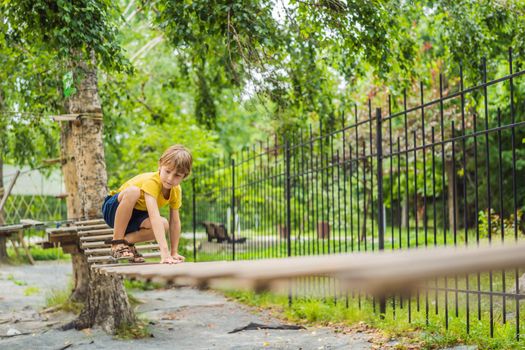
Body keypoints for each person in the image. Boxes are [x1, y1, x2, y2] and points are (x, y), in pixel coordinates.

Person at [102, 144, 192, 264]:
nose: (170, 178)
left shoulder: (176, 191)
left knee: (164, 223)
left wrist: (173, 252)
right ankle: (117, 242)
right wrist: (164, 253)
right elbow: (154, 217)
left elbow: (175, 222)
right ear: (160, 165)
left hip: (135, 216)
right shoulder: (152, 182)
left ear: (184, 176)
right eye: (168, 171)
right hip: (114, 209)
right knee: (134, 191)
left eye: (177, 175)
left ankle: (126, 242)